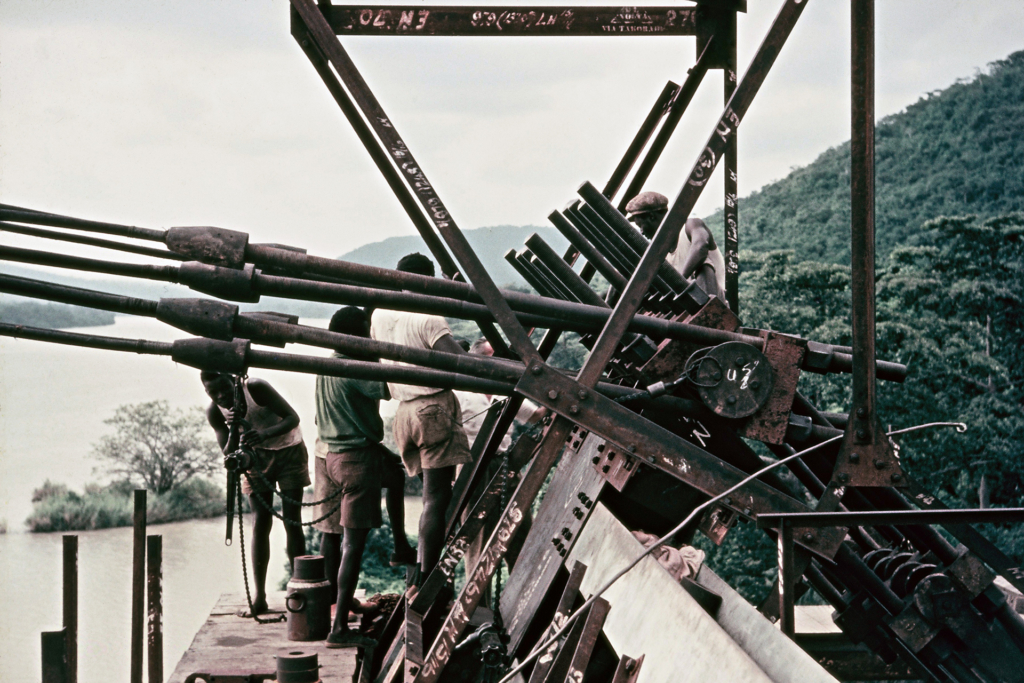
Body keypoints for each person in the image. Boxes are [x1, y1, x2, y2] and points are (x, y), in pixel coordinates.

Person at [312, 306, 416, 648]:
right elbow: (387, 388)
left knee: (396, 475)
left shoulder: (327, 363)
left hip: (334, 453)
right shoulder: (354, 367)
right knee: (352, 547)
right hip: (355, 461)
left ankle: (400, 546)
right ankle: (339, 628)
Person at [370, 252, 473, 590]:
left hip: (403, 414)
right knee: (436, 499)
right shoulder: (430, 317)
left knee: (431, 497)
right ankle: (428, 576)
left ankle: (423, 569)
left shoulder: (381, 314)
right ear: (426, 281)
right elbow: (460, 362)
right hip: (432, 409)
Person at [202, 372, 309, 617]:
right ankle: (259, 598)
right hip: (255, 458)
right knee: (260, 523)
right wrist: (232, 428)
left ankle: (299, 592)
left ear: (235, 381)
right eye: (212, 393)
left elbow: (293, 418)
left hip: (289, 449)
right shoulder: (215, 411)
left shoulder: (256, 388)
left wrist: (264, 434)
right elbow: (227, 453)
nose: (221, 396)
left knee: (292, 520)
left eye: (225, 389)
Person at [625, 191, 728, 305]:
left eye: (641, 226)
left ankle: (709, 310)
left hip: (715, 300)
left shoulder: (691, 225)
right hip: (688, 305)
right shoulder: (661, 251)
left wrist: (678, 282)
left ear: (652, 217)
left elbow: (701, 247)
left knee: (703, 266)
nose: (642, 232)